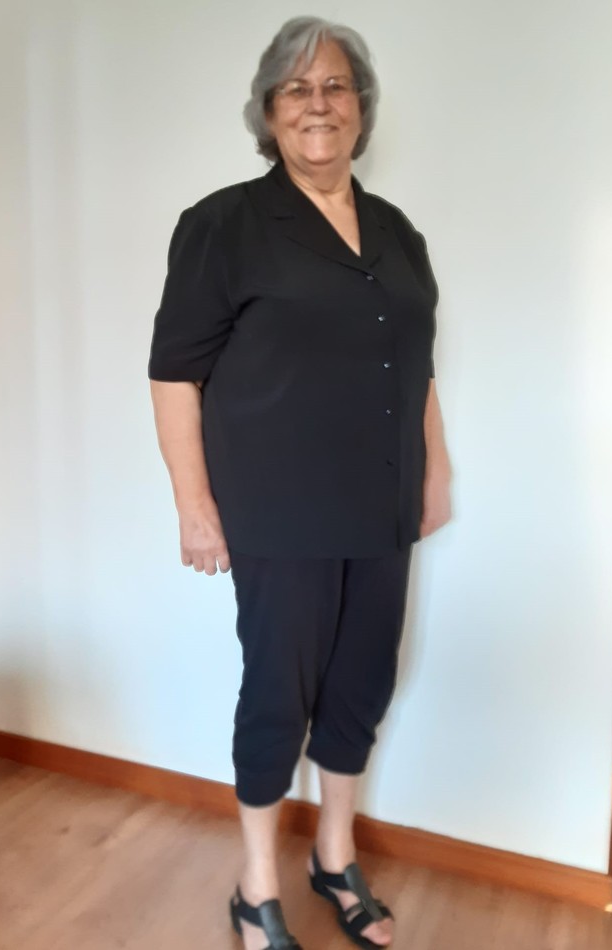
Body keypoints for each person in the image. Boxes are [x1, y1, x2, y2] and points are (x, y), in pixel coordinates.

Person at [148, 15, 451, 950]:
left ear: (360, 108)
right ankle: (255, 886)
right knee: (279, 696)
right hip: (279, 513)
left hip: (383, 504)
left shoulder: (398, 233)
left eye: (335, 86)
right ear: (270, 112)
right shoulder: (224, 225)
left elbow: (416, 365)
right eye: (296, 89)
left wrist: (437, 466)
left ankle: (333, 855)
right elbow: (175, 375)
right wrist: (195, 507)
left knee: (362, 684)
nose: (317, 104)